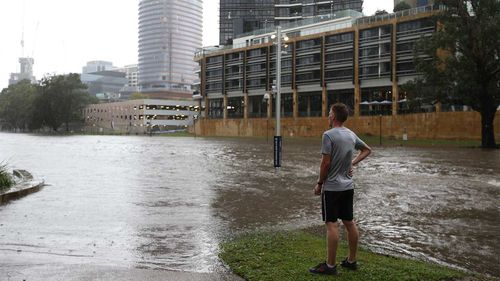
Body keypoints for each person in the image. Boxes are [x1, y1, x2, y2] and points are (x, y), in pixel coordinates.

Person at [309, 103, 372, 275]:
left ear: (334, 117)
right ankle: (351, 261)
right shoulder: (351, 134)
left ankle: (330, 266)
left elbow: (325, 163)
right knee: (349, 222)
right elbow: (367, 150)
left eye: (329, 114)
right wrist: (352, 162)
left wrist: (319, 183)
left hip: (332, 188)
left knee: (332, 224)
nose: (328, 116)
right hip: (348, 186)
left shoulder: (328, 135)